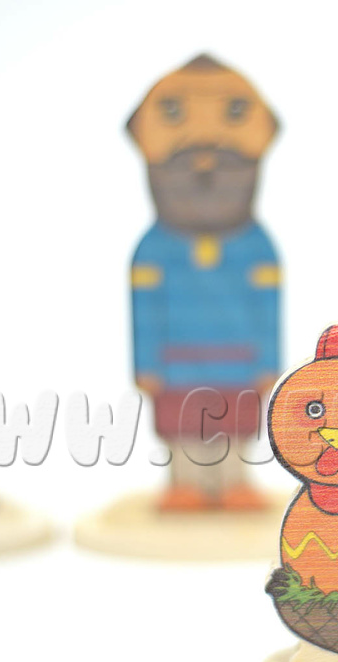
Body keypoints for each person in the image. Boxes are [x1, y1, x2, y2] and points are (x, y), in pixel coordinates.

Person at [127, 54, 281, 510]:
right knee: (183, 427)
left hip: (239, 364)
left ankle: (233, 481)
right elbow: (144, 309)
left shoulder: (257, 247)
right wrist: (146, 363)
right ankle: (186, 483)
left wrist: (268, 361)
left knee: (235, 426)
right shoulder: (154, 250)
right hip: (176, 367)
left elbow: (269, 307)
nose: (206, 172)